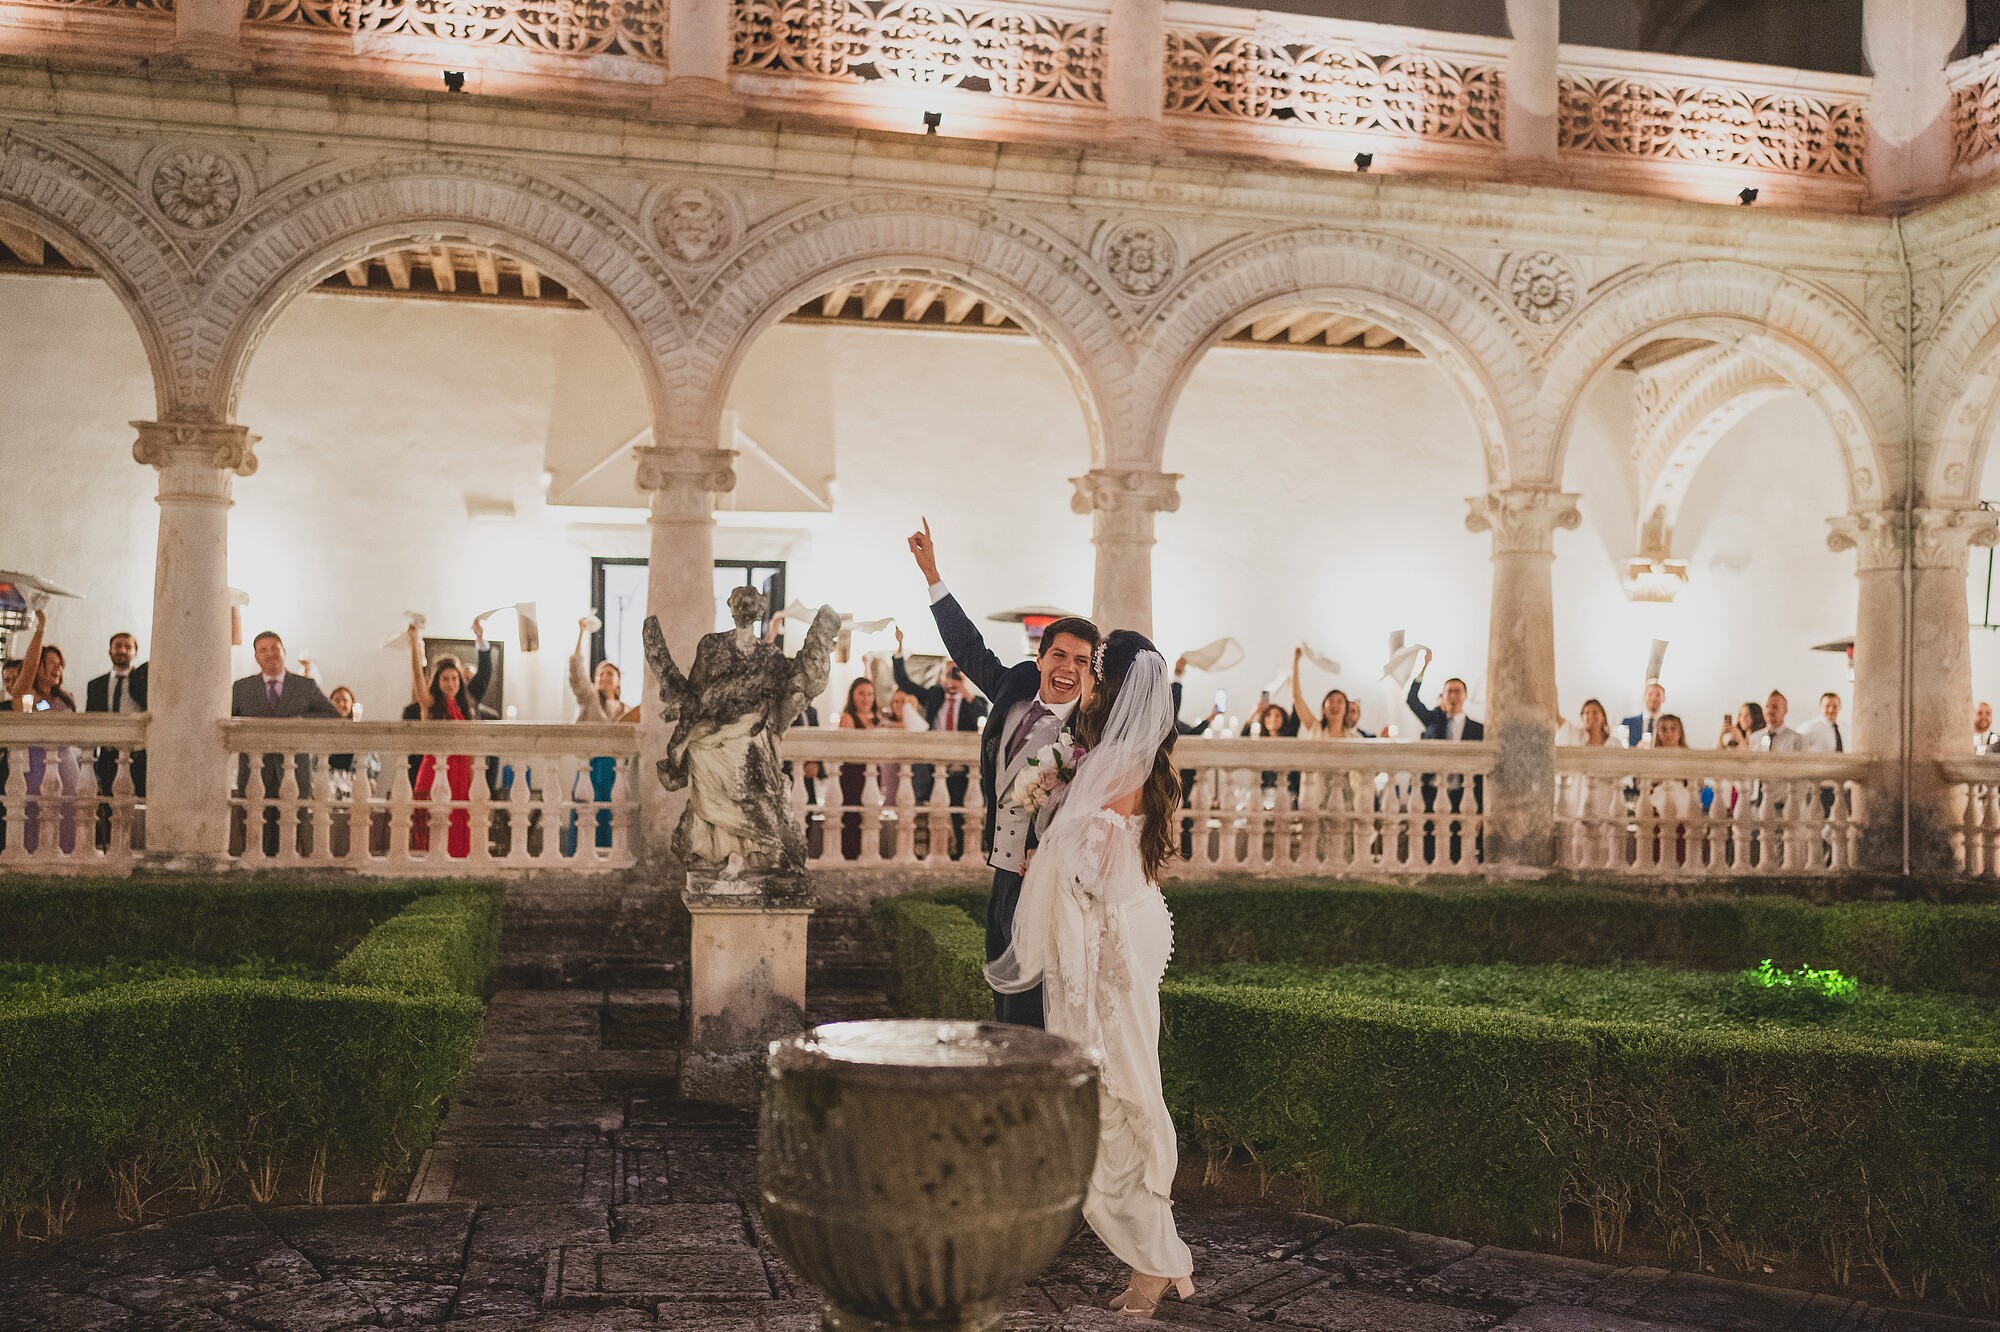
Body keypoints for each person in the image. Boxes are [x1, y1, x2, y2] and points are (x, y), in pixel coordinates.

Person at [987, 629, 1194, 1313]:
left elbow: (1092, 869)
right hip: (1120, 929)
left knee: (1120, 1092)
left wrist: (1046, 846)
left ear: (1108, 685)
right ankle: (1148, 1249)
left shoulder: (1116, 761)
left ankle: (1153, 1264)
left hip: (1106, 945)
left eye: (1093, 674)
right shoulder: (1120, 756)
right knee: (1118, 1084)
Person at [909, 516, 1099, 1029]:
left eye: (1081, 662)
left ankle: (1033, 1085)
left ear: (1090, 673)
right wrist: (933, 576)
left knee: (1036, 999)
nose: (1067, 668)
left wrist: (1051, 853)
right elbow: (969, 650)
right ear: (1040, 658)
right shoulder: (1014, 688)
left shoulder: (1092, 734)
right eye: (1059, 654)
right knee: (1000, 975)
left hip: (1052, 880)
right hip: (1002, 868)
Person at [232, 630, 342, 856]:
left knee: (294, 828)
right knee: (253, 826)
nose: (270, 654)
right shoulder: (242, 688)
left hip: (294, 770)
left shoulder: (305, 686)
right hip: (254, 771)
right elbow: (227, 722)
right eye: (263, 650)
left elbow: (331, 715)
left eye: (274, 648)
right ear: (256, 657)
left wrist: (300, 722)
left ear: (283, 652)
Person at [893, 627, 989, 859]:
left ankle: (968, 853)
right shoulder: (935, 696)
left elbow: (980, 712)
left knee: (965, 814)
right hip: (936, 768)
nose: (953, 678)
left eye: (958, 673)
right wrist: (899, 648)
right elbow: (904, 682)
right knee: (938, 814)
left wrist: (963, 687)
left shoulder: (973, 700)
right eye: (950, 673)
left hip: (964, 770)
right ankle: (945, 853)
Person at [405, 624, 477, 859]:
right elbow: (417, 677)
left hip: (460, 775)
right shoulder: (430, 705)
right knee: (432, 827)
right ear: (437, 681)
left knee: (459, 825)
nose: (450, 683)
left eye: (454, 678)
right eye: (445, 679)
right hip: (435, 771)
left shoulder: (463, 709)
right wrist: (415, 645)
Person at [567, 615, 638, 852]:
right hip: (593, 765)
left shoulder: (627, 711)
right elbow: (576, 673)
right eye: (600, 674)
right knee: (587, 810)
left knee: (613, 814)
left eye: (610, 674)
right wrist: (581, 633)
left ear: (618, 682)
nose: (604, 677)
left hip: (616, 769)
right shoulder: (590, 701)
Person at [1405, 650, 1484, 862]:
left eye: (1458, 691)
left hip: (1461, 791)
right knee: (1429, 839)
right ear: (1444, 695)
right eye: (1449, 691)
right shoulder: (1433, 720)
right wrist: (1423, 667)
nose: (1453, 695)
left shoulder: (1478, 729)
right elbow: (1411, 700)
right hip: (1431, 788)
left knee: (1458, 841)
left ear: (1465, 696)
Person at [19, 624, 81, 855]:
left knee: (68, 809)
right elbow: (31, 716)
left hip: (66, 761)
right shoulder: (30, 697)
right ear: (38, 668)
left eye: (60, 664)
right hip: (37, 761)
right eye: (52, 664)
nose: (58, 668)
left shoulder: (66, 697)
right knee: (36, 809)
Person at [85, 631, 147, 849]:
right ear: (109, 650)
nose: (122, 650)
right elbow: (91, 723)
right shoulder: (96, 685)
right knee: (110, 807)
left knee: (139, 805)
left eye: (127, 647)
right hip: (108, 756)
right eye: (117, 646)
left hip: (138, 757)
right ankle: (112, 848)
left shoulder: (144, 681)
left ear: (135, 652)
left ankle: (137, 848)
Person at [836, 677, 880, 860]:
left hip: (872, 774)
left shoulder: (876, 719)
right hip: (853, 775)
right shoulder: (848, 718)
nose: (866, 698)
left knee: (870, 817)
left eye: (870, 694)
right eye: (861, 693)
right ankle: (851, 855)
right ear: (853, 695)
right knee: (852, 818)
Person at [1648, 713, 1694, 865]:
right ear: (1658, 733)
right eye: (1664, 729)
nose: (1668, 734)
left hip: (1682, 807)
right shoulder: (1652, 756)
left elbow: (1695, 782)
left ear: (1680, 732)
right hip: (1658, 808)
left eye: (1673, 729)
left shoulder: (1688, 756)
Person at [1621, 680, 1665, 748]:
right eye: (1650, 694)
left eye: (1658, 695)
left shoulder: (1670, 726)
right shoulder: (1628, 723)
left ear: (1663, 699)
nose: (1654, 698)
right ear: (1644, 697)